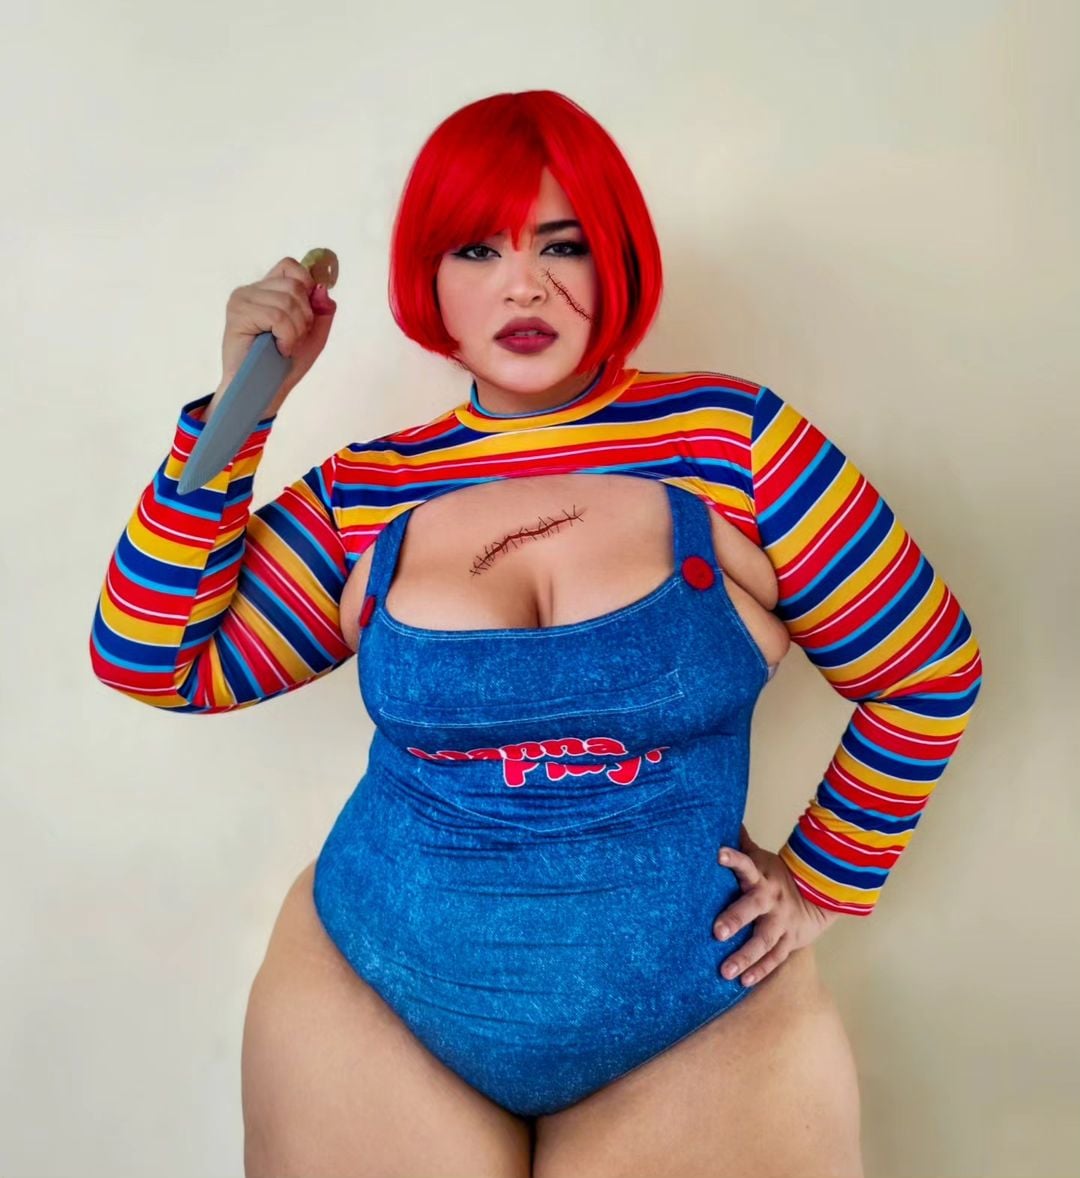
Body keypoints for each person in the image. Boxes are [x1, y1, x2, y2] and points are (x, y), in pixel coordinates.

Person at [89, 90, 983, 1178]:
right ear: (428, 278)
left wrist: (823, 881)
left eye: (563, 244)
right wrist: (242, 405)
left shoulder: (736, 443)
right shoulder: (371, 489)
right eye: (478, 249)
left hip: (696, 1014)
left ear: (617, 260)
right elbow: (153, 658)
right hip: (366, 1001)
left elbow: (928, 672)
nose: (523, 284)